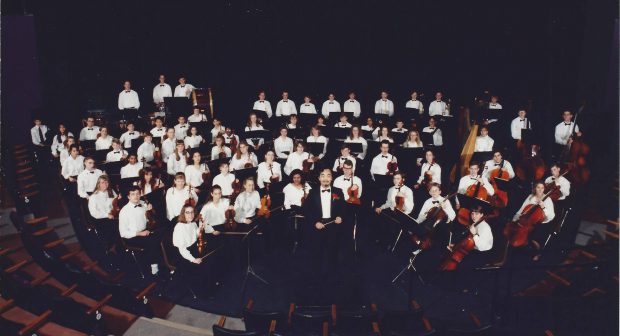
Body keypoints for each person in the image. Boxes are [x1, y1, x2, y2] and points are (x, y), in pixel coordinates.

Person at [302, 168, 344, 276]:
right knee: (317, 252)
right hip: (318, 225)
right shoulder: (312, 192)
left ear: (332, 178)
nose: (325, 178)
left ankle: (333, 276)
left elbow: (343, 209)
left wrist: (340, 216)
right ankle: (317, 277)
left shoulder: (338, 192)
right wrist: (315, 222)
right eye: (323, 175)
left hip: (333, 225)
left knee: (333, 252)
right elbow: (306, 210)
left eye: (328, 175)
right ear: (319, 178)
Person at [118, 186, 160, 275]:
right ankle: (154, 267)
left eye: (138, 194)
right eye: (133, 194)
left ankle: (162, 260)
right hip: (132, 236)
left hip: (145, 230)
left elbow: (148, 218)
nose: (136, 196)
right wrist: (139, 233)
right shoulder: (124, 211)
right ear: (128, 197)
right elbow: (123, 233)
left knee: (161, 233)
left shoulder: (142, 203)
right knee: (152, 241)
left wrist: (150, 209)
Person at [172, 204, 211, 296]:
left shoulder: (192, 223)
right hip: (183, 255)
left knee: (209, 259)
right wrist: (193, 259)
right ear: (183, 214)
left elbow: (195, 235)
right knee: (201, 266)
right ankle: (201, 293)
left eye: (192, 212)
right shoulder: (179, 227)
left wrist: (200, 229)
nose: (190, 215)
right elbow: (182, 249)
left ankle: (209, 286)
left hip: (193, 249)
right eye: (187, 212)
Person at [512, 182, 555, 252]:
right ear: (535, 188)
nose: (540, 190)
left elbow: (551, 216)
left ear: (544, 189)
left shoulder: (548, 199)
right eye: (538, 187)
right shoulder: (531, 196)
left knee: (532, 236)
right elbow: (522, 209)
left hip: (539, 223)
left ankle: (534, 251)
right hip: (526, 220)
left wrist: (543, 207)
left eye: (542, 188)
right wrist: (515, 218)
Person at [88, 175, 120, 249]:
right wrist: (106, 215)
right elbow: (94, 213)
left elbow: (115, 204)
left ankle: (121, 245)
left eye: (106, 182)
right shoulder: (93, 197)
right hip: (101, 219)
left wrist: (118, 201)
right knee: (115, 227)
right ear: (98, 184)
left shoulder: (111, 191)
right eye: (102, 182)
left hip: (113, 215)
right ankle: (113, 246)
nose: (105, 184)